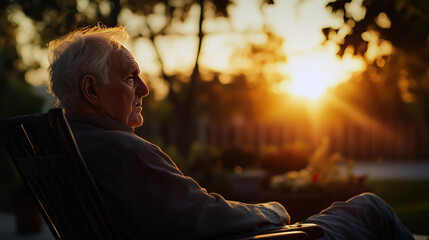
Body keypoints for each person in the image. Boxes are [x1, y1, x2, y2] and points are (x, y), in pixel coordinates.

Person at [47, 24, 414, 240]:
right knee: (370, 209)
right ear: (92, 90)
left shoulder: (68, 148)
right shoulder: (121, 151)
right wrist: (272, 210)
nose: (143, 89)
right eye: (130, 77)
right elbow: (207, 217)